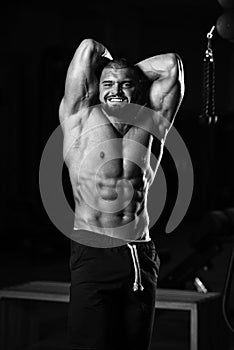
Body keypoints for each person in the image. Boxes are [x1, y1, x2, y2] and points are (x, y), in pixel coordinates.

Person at [59, 38, 184, 350]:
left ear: (138, 88)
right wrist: (116, 69)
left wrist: (127, 73)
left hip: (139, 254)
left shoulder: (153, 121)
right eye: (108, 83)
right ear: (96, 86)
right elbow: (88, 48)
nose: (116, 90)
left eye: (125, 85)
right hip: (93, 253)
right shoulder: (80, 117)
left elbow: (172, 64)